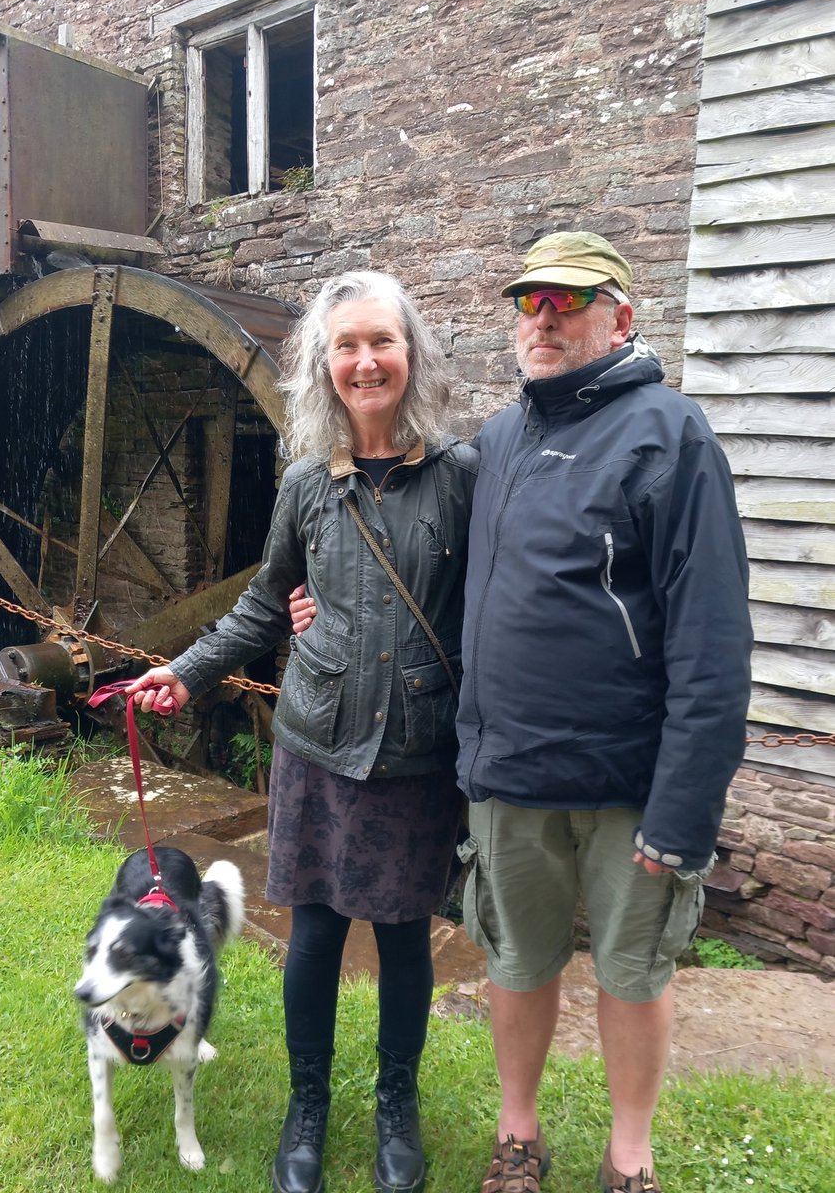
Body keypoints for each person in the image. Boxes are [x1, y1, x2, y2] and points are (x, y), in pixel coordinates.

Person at [290, 232, 753, 1193]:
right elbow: (429, 577)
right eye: (531, 304)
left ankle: (630, 1154)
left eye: (569, 303)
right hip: (508, 776)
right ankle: (517, 1134)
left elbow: (711, 643)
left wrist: (684, 811)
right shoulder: (497, 443)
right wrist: (323, 610)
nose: (544, 320)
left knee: (631, 974)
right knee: (515, 961)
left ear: (620, 316)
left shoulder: (673, 434)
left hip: (628, 781)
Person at [130, 270, 478, 1193]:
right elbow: (260, 607)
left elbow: (488, 613)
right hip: (319, 741)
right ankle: (308, 1106)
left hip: (415, 749)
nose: (366, 362)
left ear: (412, 354)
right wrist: (186, 671)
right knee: (317, 932)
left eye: (382, 342)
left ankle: (395, 1103)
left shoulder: (462, 478)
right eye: (347, 347)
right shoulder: (305, 486)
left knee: (405, 936)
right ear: (325, 367)